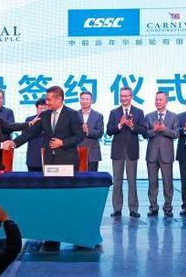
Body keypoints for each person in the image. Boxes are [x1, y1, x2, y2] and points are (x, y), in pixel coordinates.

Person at [11, 86, 85, 168]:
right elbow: (31, 132)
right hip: (49, 160)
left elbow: (79, 136)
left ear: (59, 99)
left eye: (49, 100)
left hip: (67, 160)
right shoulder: (45, 115)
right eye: (46, 99)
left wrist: (63, 142)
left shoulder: (72, 114)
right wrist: (14, 143)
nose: (46, 102)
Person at [106, 87, 146, 218]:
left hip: (131, 151)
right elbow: (109, 131)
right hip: (117, 151)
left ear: (131, 97)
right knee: (117, 181)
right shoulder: (114, 112)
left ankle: (133, 209)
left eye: (126, 96)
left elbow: (143, 131)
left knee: (132, 181)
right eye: (122, 96)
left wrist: (131, 126)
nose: (124, 98)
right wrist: (120, 124)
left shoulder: (138, 112)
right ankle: (117, 208)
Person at [144, 91, 179, 217]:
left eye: (160, 100)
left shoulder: (173, 116)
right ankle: (153, 207)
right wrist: (154, 130)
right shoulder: (149, 116)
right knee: (152, 182)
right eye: (156, 100)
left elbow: (176, 134)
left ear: (166, 101)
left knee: (167, 182)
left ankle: (168, 207)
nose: (158, 102)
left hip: (166, 154)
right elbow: (144, 134)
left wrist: (164, 129)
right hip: (152, 154)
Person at [77, 91, 104, 172]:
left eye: (87, 99)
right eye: (82, 99)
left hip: (92, 153)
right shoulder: (74, 114)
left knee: (92, 177)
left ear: (91, 101)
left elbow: (100, 132)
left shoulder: (98, 116)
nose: (84, 101)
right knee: (77, 177)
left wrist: (88, 131)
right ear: (80, 100)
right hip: (77, 151)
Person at [25, 97, 48, 172]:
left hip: (49, 158)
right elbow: (24, 136)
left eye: (45, 108)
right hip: (33, 158)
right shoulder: (29, 120)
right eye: (40, 108)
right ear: (37, 109)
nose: (42, 110)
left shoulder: (53, 120)